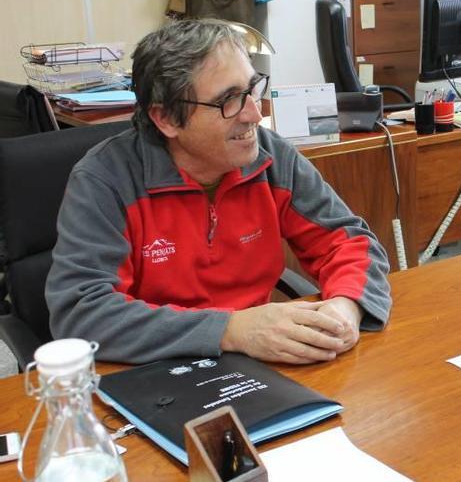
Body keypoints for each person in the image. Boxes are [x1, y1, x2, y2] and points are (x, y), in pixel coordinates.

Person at [47, 19, 391, 365]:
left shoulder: (271, 158)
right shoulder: (105, 180)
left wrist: (346, 305)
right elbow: (81, 313)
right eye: (229, 100)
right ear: (166, 118)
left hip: (260, 358)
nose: (255, 114)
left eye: (252, 89)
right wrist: (230, 330)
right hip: (155, 369)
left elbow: (348, 241)